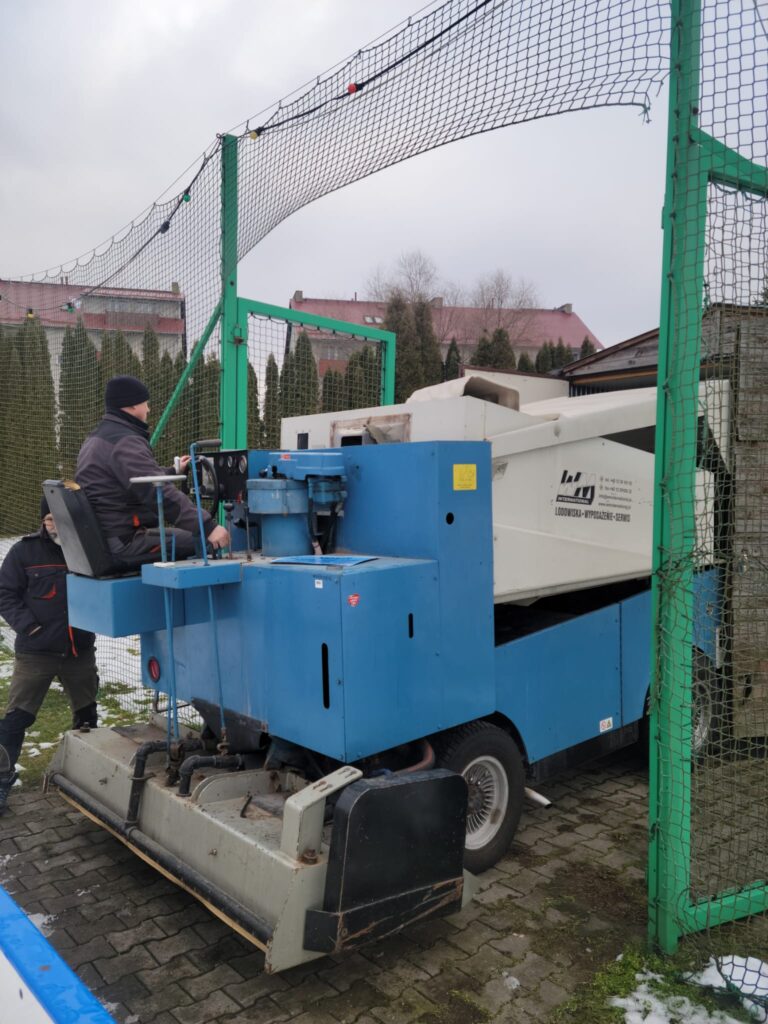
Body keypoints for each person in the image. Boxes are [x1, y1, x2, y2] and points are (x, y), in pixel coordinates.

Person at [0, 498, 99, 814]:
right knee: (17, 718)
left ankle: (89, 778)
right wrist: (29, 627)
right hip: (36, 652)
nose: (54, 524)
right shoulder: (24, 552)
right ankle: (2, 780)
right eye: (49, 518)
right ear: (43, 520)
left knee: (87, 717)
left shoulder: (88, 550)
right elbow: (5, 593)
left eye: (60, 517)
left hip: (79, 652)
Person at [76, 375, 230, 566]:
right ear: (133, 405)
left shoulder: (97, 438)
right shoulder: (126, 441)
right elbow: (155, 491)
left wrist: (172, 471)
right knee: (205, 542)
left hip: (106, 537)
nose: (148, 409)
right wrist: (207, 526)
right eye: (146, 403)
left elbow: (133, 479)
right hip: (124, 542)